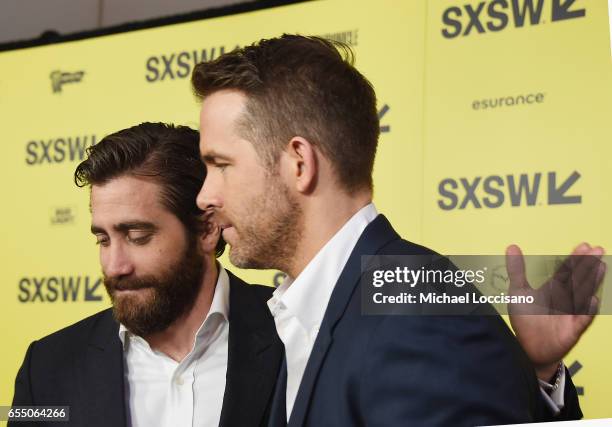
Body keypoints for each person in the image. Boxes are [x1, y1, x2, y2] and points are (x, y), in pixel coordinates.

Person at [192, 35, 603, 426]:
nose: (205, 196)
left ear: (299, 163)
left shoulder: (418, 315)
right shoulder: (311, 310)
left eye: (221, 165)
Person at [10, 123, 282, 427]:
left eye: (137, 236)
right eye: (103, 240)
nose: (115, 266)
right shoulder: (46, 368)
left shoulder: (294, 331)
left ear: (206, 230)